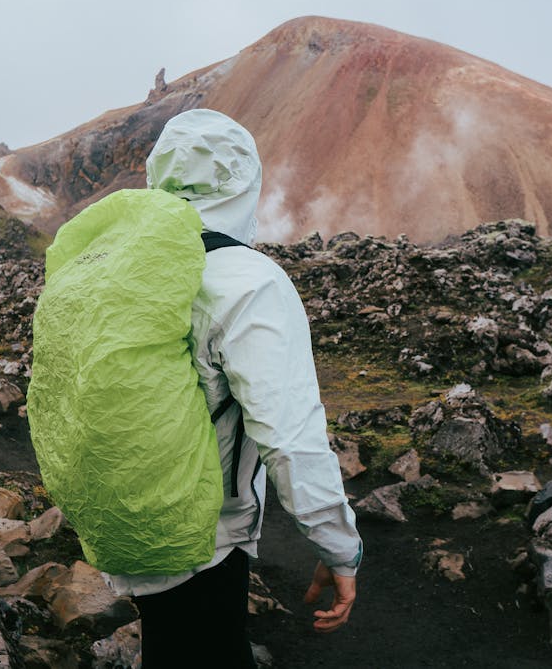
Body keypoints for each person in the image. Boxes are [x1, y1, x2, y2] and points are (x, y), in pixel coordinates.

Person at [103, 109, 363, 668]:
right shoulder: (246, 280)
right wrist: (339, 548)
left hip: (121, 516)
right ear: (246, 184)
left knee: (171, 649)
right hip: (203, 534)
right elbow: (288, 436)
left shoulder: (118, 268)